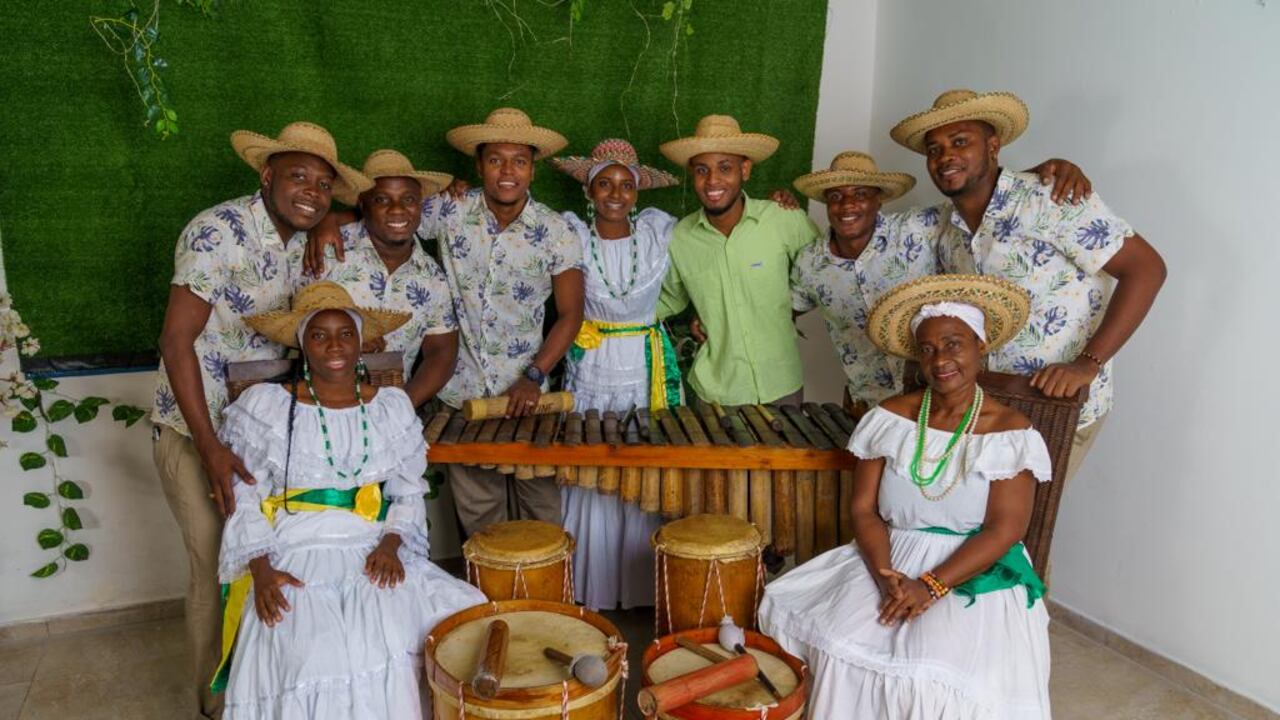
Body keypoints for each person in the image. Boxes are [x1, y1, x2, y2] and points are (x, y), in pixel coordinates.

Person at [759, 274, 1054, 719]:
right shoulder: (890, 418)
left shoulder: (1009, 432)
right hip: (889, 554)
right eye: (929, 349)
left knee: (927, 676)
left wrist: (930, 586)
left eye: (954, 344)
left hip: (971, 566)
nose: (941, 360)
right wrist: (886, 578)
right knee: (802, 620)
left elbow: (1004, 530)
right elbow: (863, 508)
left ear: (980, 347)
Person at [152, 122, 370, 720]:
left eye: (324, 184)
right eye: (298, 176)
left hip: (270, 438)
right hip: (195, 434)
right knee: (215, 566)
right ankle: (216, 700)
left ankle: (263, 688)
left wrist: (328, 217)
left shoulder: (308, 235)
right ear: (265, 174)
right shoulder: (215, 232)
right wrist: (211, 448)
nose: (311, 191)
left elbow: (370, 214)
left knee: (267, 561)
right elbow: (176, 342)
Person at [306, 108, 584, 536]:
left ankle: (541, 602)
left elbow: (571, 314)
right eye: (495, 160)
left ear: (533, 168)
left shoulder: (557, 231)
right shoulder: (449, 210)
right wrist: (327, 219)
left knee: (542, 521)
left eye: (519, 161)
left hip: (530, 400)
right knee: (482, 528)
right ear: (478, 165)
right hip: (463, 402)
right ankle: (490, 603)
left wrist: (534, 374)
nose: (507, 172)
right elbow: (388, 213)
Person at [214, 282, 486, 719]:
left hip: (371, 543)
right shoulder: (265, 407)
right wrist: (261, 569)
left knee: (439, 623)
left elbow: (407, 489)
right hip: (295, 548)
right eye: (319, 335)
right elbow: (245, 496)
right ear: (303, 345)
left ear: (363, 342)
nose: (334, 345)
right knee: (317, 651)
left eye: (346, 333)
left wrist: (392, 542)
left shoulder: (390, 408)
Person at [891, 89, 1166, 481]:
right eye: (934, 150)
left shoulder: (1050, 199)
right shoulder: (947, 232)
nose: (945, 156)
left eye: (960, 142)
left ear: (993, 146)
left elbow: (1147, 269)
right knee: (977, 527)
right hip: (988, 405)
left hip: (1057, 403)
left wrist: (1087, 365)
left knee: (1022, 527)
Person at [786, 151, 1095, 418]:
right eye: (836, 196)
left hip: (934, 401)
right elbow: (785, 310)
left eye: (861, 194)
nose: (848, 205)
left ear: (879, 199)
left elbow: (982, 191)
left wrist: (1049, 169)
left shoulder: (920, 228)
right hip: (868, 404)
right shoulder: (809, 264)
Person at [548, 138, 681, 610]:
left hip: (647, 364)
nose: (616, 193)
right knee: (593, 462)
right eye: (605, 183)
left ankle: (644, 589)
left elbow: (709, 236)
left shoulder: (657, 232)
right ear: (588, 189)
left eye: (626, 185)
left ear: (639, 192)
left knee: (645, 462)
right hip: (594, 360)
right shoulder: (571, 235)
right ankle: (593, 587)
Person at [656, 115, 819, 407]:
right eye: (702, 170)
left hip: (781, 384)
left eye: (725, 168)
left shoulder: (783, 219)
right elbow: (667, 300)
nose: (713, 181)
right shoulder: (679, 238)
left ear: (745, 170)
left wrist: (783, 312)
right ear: (692, 174)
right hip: (716, 392)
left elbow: (823, 274)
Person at [301, 149, 459, 408]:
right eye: (382, 200)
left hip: (390, 412)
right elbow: (290, 325)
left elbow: (442, 352)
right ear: (363, 204)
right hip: (316, 407)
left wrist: (402, 407)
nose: (398, 209)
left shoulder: (432, 278)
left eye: (408, 199)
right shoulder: (328, 250)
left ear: (420, 204)